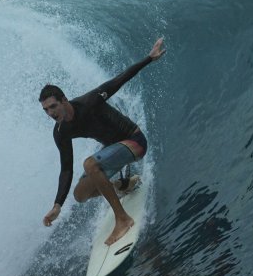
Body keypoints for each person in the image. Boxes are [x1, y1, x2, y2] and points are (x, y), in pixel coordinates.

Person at [40, 37, 166, 245]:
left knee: (90, 164)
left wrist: (149, 59)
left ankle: (123, 219)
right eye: (45, 110)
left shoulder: (89, 102)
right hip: (113, 149)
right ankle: (123, 185)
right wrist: (57, 205)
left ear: (64, 100)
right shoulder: (61, 131)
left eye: (53, 107)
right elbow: (66, 169)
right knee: (80, 195)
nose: (50, 113)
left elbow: (119, 80)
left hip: (134, 142)